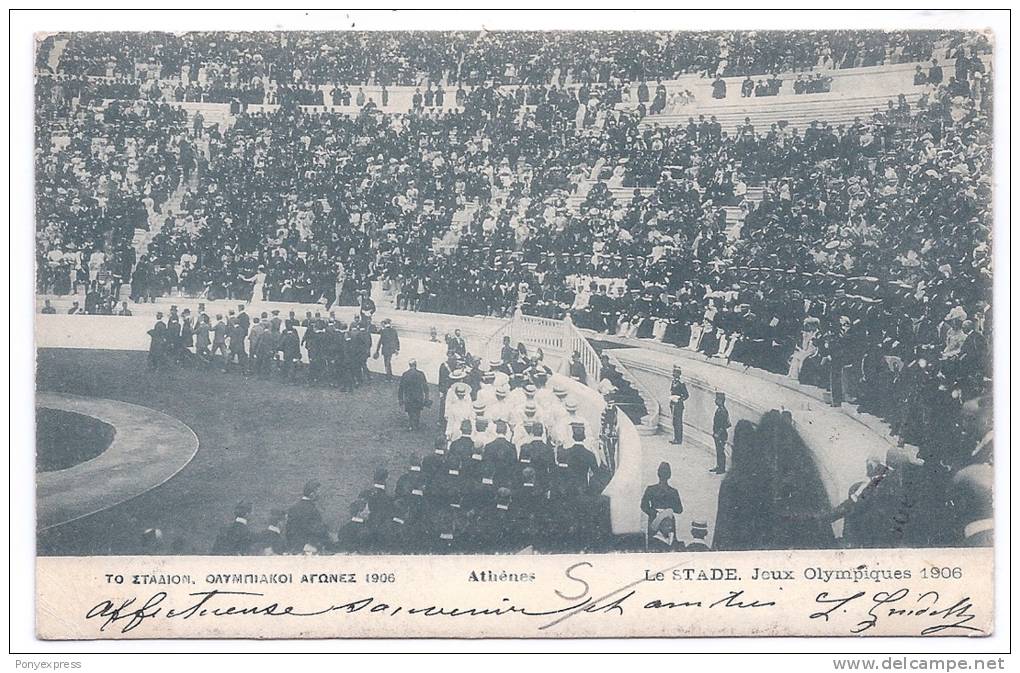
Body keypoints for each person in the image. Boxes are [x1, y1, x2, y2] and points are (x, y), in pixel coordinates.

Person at [640, 461, 683, 543]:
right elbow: (679, 509)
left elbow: (643, 505)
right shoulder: (673, 492)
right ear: (669, 475)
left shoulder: (650, 489)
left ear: (658, 474)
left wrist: (653, 512)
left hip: (653, 519)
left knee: (653, 543)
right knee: (669, 542)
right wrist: (668, 510)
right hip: (669, 521)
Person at [285, 480, 330, 553]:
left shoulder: (293, 508)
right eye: (318, 492)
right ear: (312, 494)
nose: (320, 495)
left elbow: (289, 531)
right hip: (311, 548)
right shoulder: (312, 510)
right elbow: (316, 530)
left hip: (295, 548)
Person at [398, 359, 429, 431]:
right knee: (417, 411)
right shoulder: (421, 374)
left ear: (409, 365)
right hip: (418, 396)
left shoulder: (405, 374)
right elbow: (425, 387)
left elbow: (401, 388)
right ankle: (416, 425)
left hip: (409, 397)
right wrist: (426, 397)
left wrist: (400, 399)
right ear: (416, 365)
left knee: (410, 411)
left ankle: (411, 425)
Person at [669, 365, 690, 445]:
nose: (674, 374)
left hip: (678, 405)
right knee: (674, 422)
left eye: (676, 373)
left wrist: (679, 399)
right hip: (673, 404)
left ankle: (679, 439)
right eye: (674, 372)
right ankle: (675, 438)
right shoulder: (673, 382)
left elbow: (686, 395)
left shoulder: (681, 384)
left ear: (679, 374)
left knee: (678, 422)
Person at [711, 392, 730, 474]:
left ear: (721, 400)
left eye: (717, 399)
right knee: (718, 451)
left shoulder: (723, 411)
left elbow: (724, 425)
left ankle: (721, 468)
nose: (715, 401)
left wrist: (718, 433)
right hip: (717, 433)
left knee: (721, 451)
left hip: (721, 434)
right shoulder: (719, 410)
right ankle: (719, 466)